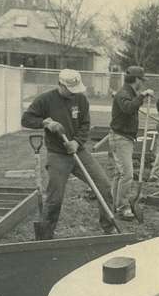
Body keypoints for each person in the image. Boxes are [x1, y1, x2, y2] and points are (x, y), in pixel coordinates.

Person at [21, 69, 116, 237]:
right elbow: (26, 119)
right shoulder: (45, 100)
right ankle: (46, 236)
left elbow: (85, 125)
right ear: (60, 85)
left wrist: (76, 142)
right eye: (69, 89)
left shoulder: (80, 99)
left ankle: (109, 227)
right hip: (58, 155)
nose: (73, 93)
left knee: (104, 186)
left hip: (79, 152)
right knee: (55, 198)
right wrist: (45, 123)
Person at [109, 66, 155, 220]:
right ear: (136, 79)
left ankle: (114, 203)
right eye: (141, 80)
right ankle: (122, 208)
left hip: (124, 138)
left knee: (119, 174)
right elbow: (128, 108)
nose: (142, 83)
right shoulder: (124, 93)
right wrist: (142, 96)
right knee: (127, 175)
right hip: (120, 138)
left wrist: (140, 97)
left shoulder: (128, 93)